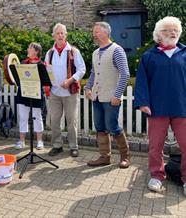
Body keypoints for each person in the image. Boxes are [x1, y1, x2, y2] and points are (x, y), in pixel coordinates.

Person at [134, 16, 186, 195]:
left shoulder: (185, 54)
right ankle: (156, 175)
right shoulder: (149, 56)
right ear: (158, 35)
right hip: (157, 109)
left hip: (182, 108)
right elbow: (141, 82)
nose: (172, 33)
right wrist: (143, 103)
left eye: (175, 30)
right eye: (167, 30)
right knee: (155, 146)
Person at [84, 22, 130, 168]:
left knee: (113, 127)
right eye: (94, 31)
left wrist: (117, 95)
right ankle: (105, 157)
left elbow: (125, 74)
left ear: (105, 32)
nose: (94, 34)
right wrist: (87, 87)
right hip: (96, 97)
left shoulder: (117, 50)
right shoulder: (95, 52)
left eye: (96, 31)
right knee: (100, 127)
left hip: (111, 98)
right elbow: (93, 73)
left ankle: (125, 156)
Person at [45, 23, 86, 157]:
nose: (60, 35)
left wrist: (70, 80)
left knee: (71, 121)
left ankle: (73, 146)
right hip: (54, 93)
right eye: (58, 33)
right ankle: (57, 145)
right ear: (53, 36)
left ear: (66, 35)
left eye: (63, 33)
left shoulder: (74, 51)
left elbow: (82, 69)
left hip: (70, 93)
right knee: (54, 120)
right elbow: (46, 70)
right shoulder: (49, 53)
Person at [14, 42, 45, 150]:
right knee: (23, 117)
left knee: (37, 117)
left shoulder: (41, 65)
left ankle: (39, 141)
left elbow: (44, 80)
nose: (27, 49)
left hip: (35, 93)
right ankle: (21, 140)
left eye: (29, 48)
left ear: (36, 51)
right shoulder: (23, 63)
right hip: (23, 93)